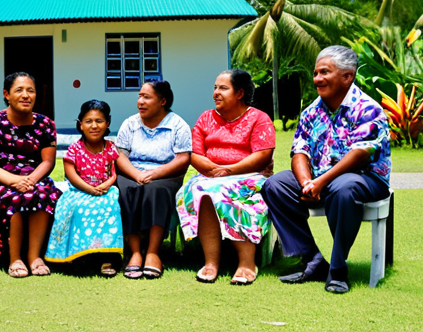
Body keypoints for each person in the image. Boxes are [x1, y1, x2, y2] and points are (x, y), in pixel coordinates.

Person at [261, 45, 391, 294]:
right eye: (316, 72)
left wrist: (321, 182)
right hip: (320, 178)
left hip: (364, 179)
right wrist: (307, 181)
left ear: (347, 76)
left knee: (344, 188)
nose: (317, 79)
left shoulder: (368, 108)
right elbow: (299, 151)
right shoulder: (311, 111)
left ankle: (338, 269)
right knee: (275, 185)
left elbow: (361, 155)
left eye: (325, 72)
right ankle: (313, 259)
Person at [176, 70, 275, 284]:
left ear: (239, 93)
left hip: (250, 176)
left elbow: (262, 155)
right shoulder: (205, 118)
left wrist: (229, 170)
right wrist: (213, 170)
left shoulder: (259, 118)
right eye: (215, 88)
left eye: (222, 88)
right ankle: (211, 263)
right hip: (211, 177)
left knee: (223, 190)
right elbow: (194, 153)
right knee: (200, 189)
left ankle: (247, 263)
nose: (215, 93)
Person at [0, 72, 62, 278]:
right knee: (13, 196)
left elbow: (48, 161)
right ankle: (14, 258)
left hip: (35, 177)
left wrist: (30, 180)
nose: (26, 95)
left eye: (30, 91)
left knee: (43, 194)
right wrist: (14, 181)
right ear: (6, 94)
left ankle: (34, 256)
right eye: (19, 90)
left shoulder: (46, 124)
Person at [115, 80, 191, 279]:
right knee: (126, 189)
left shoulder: (178, 125)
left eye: (146, 97)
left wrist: (154, 174)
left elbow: (183, 158)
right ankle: (135, 253)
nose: (140, 101)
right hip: (133, 172)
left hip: (165, 175)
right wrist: (136, 174)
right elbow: (119, 155)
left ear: (162, 101)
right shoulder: (130, 124)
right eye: (139, 96)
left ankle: (153, 252)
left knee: (155, 190)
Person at [45, 100, 124, 276]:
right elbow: (70, 173)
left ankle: (107, 256)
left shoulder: (110, 148)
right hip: (78, 189)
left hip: (105, 190)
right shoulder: (75, 149)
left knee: (110, 207)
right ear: (80, 125)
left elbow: (113, 173)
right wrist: (88, 189)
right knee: (75, 208)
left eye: (99, 121)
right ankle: (76, 254)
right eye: (88, 121)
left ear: (108, 124)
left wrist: (104, 185)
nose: (94, 126)